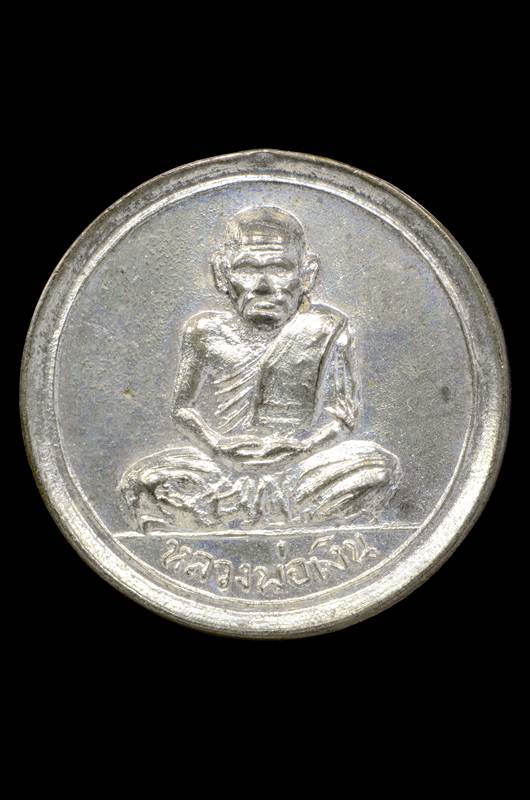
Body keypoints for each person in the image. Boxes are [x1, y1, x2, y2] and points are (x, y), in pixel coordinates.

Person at [119, 207, 400, 531]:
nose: (264, 286)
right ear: (222, 274)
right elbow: (182, 409)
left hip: (300, 468)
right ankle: (281, 513)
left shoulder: (328, 329)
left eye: (279, 268)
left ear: (306, 275)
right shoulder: (203, 331)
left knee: (379, 469)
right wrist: (216, 446)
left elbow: (342, 417)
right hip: (221, 469)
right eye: (247, 268)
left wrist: (302, 448)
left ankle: (235, 514)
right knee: (143, 481)